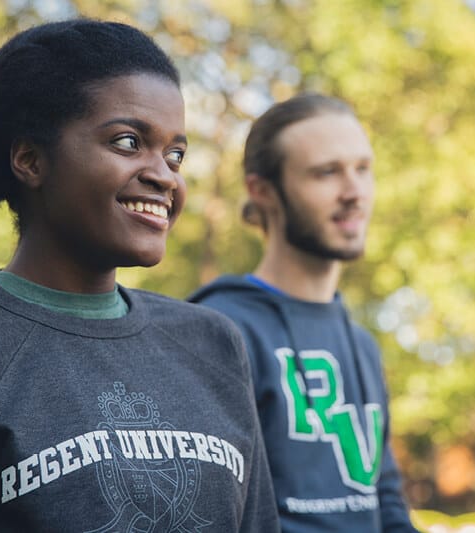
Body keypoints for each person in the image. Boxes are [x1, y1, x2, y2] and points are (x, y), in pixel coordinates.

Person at [0, 20, 278, 533]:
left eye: (175, 153)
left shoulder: (214, 343)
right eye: (128, 141)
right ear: (30, 159)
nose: (164, 175)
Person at [190, 94, 419, 532]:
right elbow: (212, 512)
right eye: (327, 172)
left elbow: (383, 497)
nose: (355, 193)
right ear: (263, 191)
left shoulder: (363, 345)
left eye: (363, 169)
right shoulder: (219, 329)